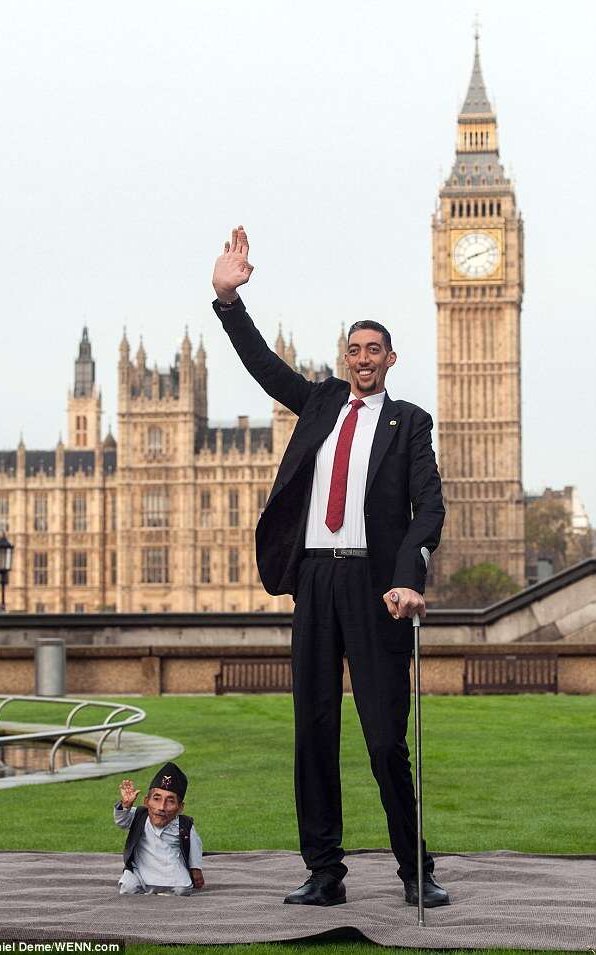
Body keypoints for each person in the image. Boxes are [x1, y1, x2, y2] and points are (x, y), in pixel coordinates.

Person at [211, 226, 449, 909]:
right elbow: (261, 364)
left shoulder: (409, 423)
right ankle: (324, 868)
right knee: (311, 730)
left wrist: (410, 575)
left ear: (390, 358)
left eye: (374, 350)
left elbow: (428, 509)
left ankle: (415, 867)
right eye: (354, 349)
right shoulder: (317, 402)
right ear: (344, 357)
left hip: (378, 588)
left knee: (383, 739)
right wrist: (228, 299)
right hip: (314, 577)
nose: (363, 358)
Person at [113, 761, 204, 896]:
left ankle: (162, 894)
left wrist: (196, 868)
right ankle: (146, 889)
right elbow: (121, 821)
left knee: (182, 889)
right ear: (146, 801)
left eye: (170, 801)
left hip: (171, 871)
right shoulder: (138, 815)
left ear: (180, 808)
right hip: (141, 870)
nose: (162, 807)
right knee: (128, 887)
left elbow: (195, 845)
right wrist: (125, 806)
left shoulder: (184, 825)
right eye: (156, 798)